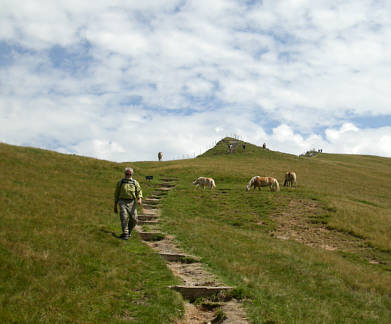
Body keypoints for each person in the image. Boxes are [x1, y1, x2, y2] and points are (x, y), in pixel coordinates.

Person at [114, 167, 143, 240]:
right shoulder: (120, 182)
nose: (128, 175)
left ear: (132, 174)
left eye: (129, 174)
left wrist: (139, 199)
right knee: (124, 217)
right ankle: (125, 233)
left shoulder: (135, 182)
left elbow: (139, 191)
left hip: (132, 202)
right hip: (122, 201)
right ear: (124, 174)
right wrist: (115, 205)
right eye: (127, 174)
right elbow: (116, 193)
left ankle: (129, 231)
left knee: (134, 219)